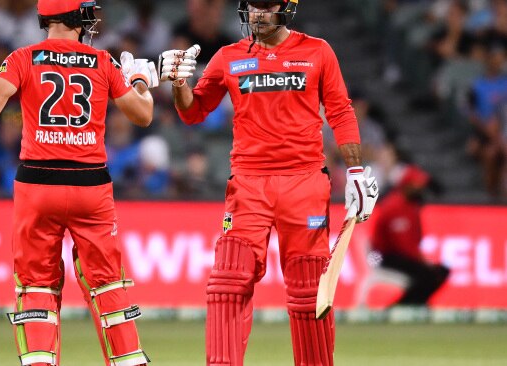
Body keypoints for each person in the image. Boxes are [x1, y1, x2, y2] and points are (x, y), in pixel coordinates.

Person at [0, 1, 158, 365]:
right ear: (79, 17)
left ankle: (39, 361)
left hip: (37, 186)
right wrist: (140, 83)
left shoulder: (23, 58)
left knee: (36, 285)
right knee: (107, 284)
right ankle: (130, 360)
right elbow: (143, 115)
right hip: (91, 188)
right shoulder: (103, 61)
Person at [158, 1, 379, 365]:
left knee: (309, 292)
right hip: (248, 184)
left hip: (304, 183)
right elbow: (194, 111)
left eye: (266, 7)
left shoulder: (317, 51)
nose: (257, 14)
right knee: (227, 283)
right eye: (252, 7)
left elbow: (340, 111)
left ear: (286, 8)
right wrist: (180, 83)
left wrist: (355, 172)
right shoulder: (229, 56)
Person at [371, 165, 450, 306]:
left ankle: (413, 304)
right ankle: (403, 306)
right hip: (384, 257)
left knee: (440, 272)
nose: (420, 188)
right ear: (406, 186)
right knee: (428, 275)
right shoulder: (393, 207)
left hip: (404, 256)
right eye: (417, 185)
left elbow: (415, 240)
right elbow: (401, 246)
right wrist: (423, 263)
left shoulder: (412, 207)